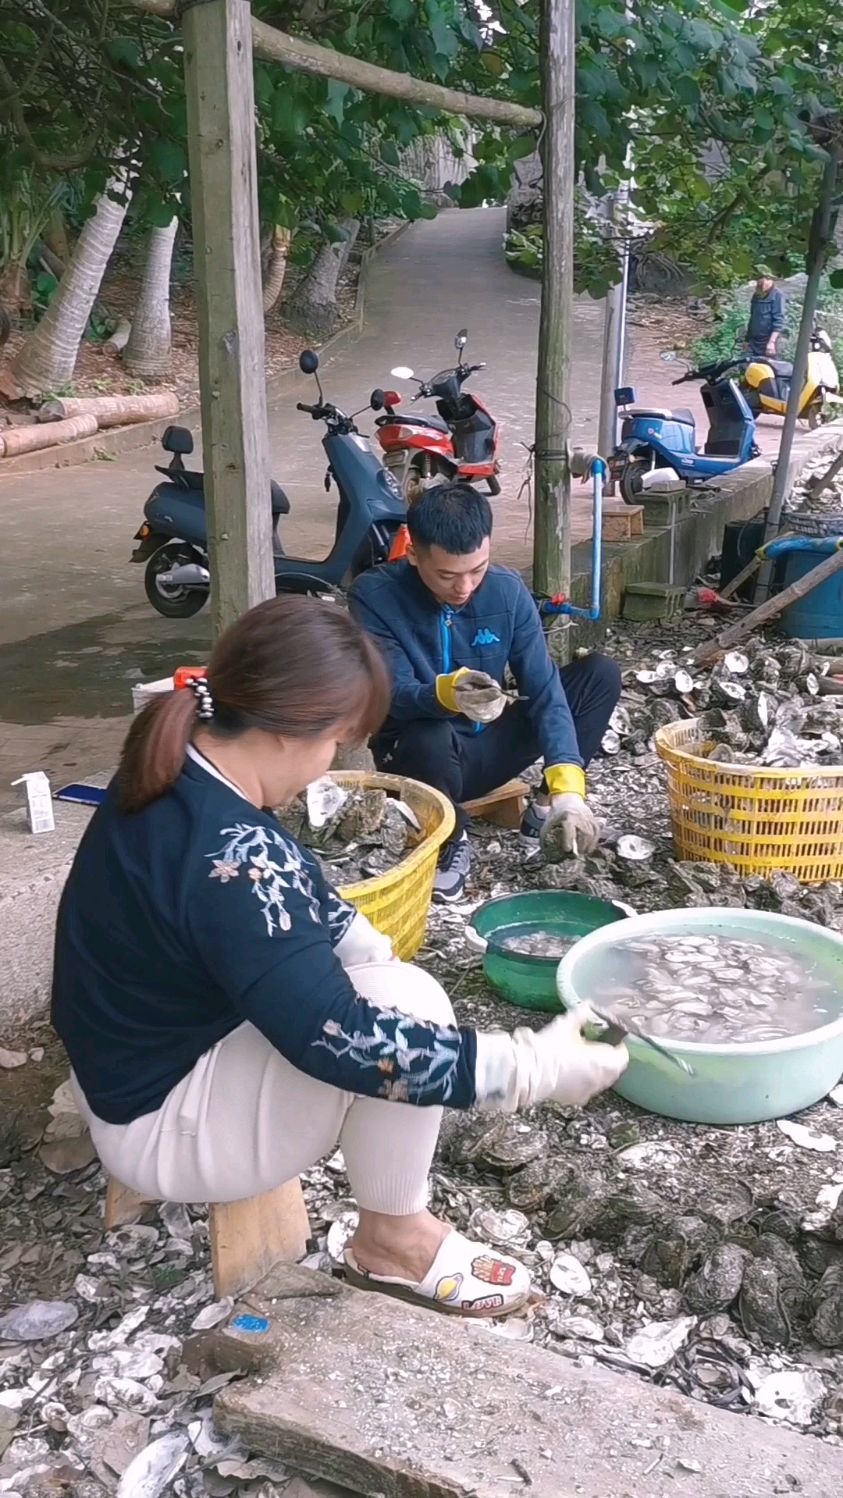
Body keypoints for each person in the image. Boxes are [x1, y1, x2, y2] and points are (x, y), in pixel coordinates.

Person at [51, 595, 627, 1321]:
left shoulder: (183, 762)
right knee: (409, 1003)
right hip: (160, 1122)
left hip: (125, 1066)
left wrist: (357, 939)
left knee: (388, 980)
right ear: (295, 733)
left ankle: (393, 1226)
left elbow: (289, 894)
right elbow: (335, 1040)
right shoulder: (233, 856)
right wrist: (529, 1066)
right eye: (337, 742)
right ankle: (393, 1238)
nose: (331, 763)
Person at [349, 485, 622, 902]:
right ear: (414, 554)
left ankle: (547, 809)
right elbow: (395, 694)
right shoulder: (375, 595)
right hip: (417, 759)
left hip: (485, 748)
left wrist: (569, 789)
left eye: (477, 569)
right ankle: (448, 840)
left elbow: (545, 691)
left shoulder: (506, 591)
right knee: (429, 730)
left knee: (598, 676)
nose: (465, 587)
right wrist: (446, 694)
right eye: (447, 575)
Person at [744, 267, 786, 360]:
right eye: (757, 282)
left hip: (769, 343)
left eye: (760, 281)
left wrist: (771, 342)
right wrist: (747, 340)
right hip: (753, 342)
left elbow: (779, 321)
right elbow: (753, 318)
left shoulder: (778, 295)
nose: (758, 284)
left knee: (768, 371)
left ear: (768, 280)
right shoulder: (756, 295)